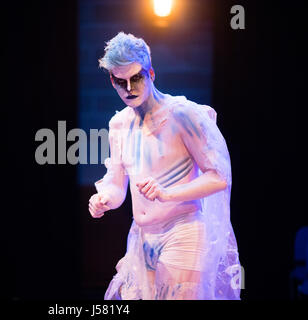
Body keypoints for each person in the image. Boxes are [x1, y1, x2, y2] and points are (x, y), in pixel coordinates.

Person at [88, 32, 241, 300]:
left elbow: (219, 177)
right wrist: (103, 199)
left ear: (151, 74)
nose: (129, 88)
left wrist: (167, 192)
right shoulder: (119, 125)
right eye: (119, 81)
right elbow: (116, 183)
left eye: (136, 78)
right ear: (112, 80)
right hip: (142, 237)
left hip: (183, 230)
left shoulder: (182, 114)